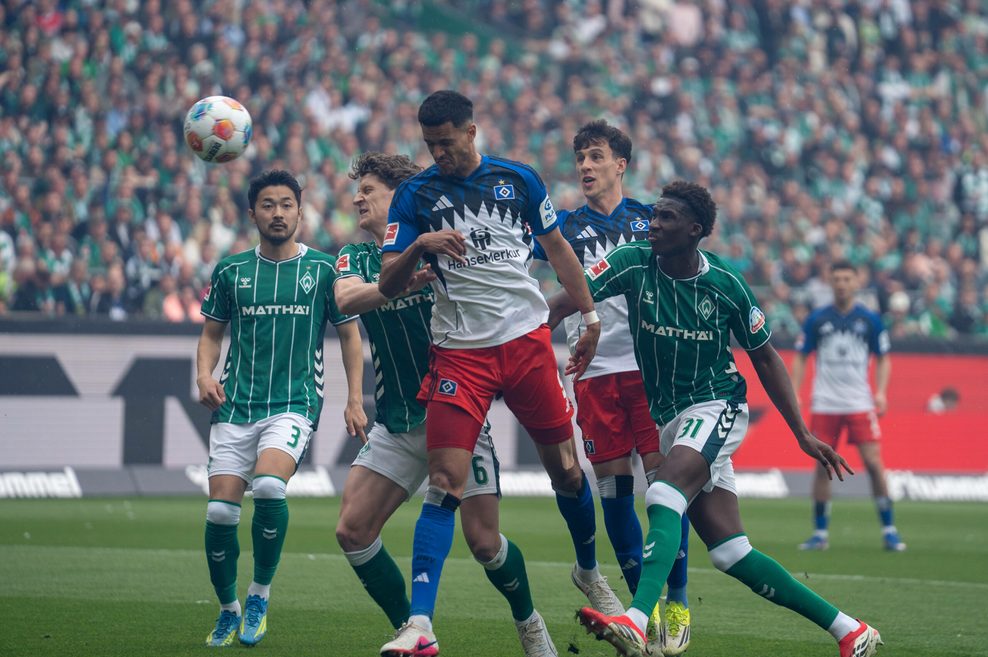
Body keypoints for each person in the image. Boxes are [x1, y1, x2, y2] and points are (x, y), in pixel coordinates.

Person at [548, 181, 883, 657]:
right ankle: (850, 630)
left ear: (694, 230)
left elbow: (766, 358)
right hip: (670, 415)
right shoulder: (629, 261)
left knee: (662, 491)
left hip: (717, 404)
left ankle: (638, 620)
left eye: (665, 218)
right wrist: (520, 343)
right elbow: (566, 299)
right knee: (730, 552)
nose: (653, 224)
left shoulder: (725, 285)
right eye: (654, 215)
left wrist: (801, 433)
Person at [376, 90, 604, 656]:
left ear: (472, 131)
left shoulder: (518, 181)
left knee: (568, 471)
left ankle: (588, 570)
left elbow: (559, 253)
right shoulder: (414, 196)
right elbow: (386, 283)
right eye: (430, 146)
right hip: (459, 354)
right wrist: (422, 245)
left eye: (447, 143)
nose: (439, 154)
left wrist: (591, 315)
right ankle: (420, 624)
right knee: (445, 481)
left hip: (525, 344)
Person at [333, 152, 557, 657]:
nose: (358, 198)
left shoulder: (447, 244)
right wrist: (398, 277)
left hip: (453, 410)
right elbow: (347, 301)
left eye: (370, 189)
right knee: (352, 529)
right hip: (396, 419)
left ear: (402, 194)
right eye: (358, 190)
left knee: (485, 544)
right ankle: (412, 627)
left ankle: (529, 620)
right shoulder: (358, 256)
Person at [533, 119, 691, 655]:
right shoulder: (563, 228)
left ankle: (677, 601)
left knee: (665, 489)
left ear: (620, 165)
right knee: (614, 492)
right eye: (580, 158)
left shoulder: (653, 222)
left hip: (649, 373)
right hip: (595, 374)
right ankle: (635, 609)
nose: (585, 167)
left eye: (596, 157)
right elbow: (532, 291)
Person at [196, 170, 363, 647]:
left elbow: (350, 335)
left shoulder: (324, 270)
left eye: (286, 204)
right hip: (236, 404)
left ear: (300, 210)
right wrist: (204, 375)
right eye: (268, 205)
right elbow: (211, 334)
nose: (278, 213)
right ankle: (228, 610)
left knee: (269, 485)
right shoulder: (230, 271)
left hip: (293, 402)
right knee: (221, 516)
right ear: (253, 214)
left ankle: (259, 596)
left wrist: (354, 398)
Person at [791, 261, 906, 552]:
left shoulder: (870, 320)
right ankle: (820, 533)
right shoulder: (817, 319)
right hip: (825, 402)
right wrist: (795, 391)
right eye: (837, 278)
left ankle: (890, 529)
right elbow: (802, 356)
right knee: (822, 466)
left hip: (859, 401)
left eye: (847, 278)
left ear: (856, 282)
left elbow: (883, 358)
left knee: (874, 463)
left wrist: (880, 392)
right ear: (831, 282)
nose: (842, 283)